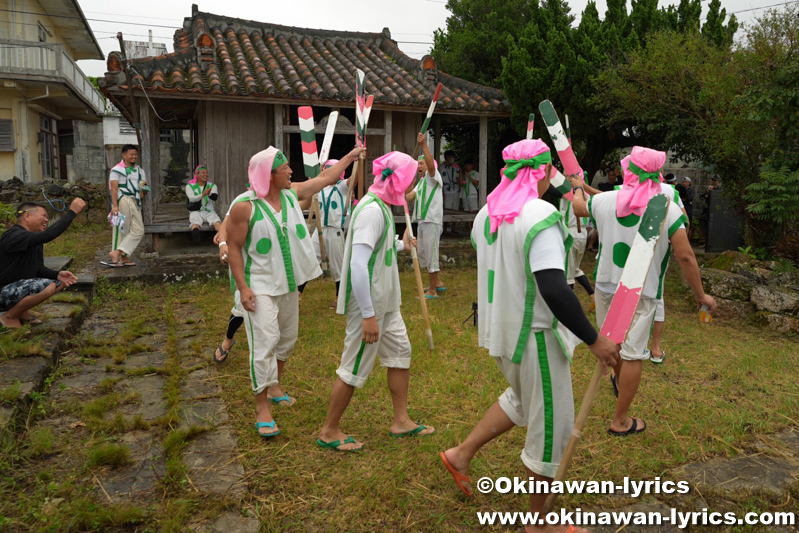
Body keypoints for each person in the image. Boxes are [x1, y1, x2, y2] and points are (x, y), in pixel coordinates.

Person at [439, 140, 618, 533]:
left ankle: (460, 454)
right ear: (541, 172)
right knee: (550, 424)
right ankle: (540, 524)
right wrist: (594, 340)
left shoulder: (486, 214)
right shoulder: (540, 215)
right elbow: (554, 288)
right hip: (535, 335)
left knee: (522, 400)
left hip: (501, 334)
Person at [571, 146, 716, 436]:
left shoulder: (607, 200)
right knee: (633, 353)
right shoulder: (668, 207)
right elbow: (686, 256)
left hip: (606, 285)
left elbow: (578, 207)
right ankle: (620, 419)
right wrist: (701, 296)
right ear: (657, 174)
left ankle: (618, 380)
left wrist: (577, 187)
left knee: (614, 347)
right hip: (642, 290)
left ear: (627, 171)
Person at [226, 145, 364, 438]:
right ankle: (262, 408)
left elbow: (326, 179)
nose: (291, 171)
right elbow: (235, 248)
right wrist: (243, 287)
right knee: (265, 341)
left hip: (287, 283)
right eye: (285, 167)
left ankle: (274, 385)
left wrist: (350, 158)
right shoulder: (245, 207)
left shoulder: (291, 195)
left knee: (287, 339)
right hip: (259, 286)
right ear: (269, 174)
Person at [318, 151, 435, 451]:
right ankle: (329, 431)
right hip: (369, 304)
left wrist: (400, 242)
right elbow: (358, 265)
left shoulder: (380, 206)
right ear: (395, 181)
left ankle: (401, 420)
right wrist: (368, 315)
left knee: (399, 352)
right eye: (407, 181)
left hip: (386, 303)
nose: (408, 188)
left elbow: (376, 251)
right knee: (353, 366)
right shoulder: (371, 210)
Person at [0, 199, 86, 328]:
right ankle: (8, 317)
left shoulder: (33, 239)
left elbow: (38, 268)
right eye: (44, 216)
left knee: (59, 282)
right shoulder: (14, 235)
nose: (46, 220)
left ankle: (21, 313)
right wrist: (72, 212)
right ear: (27, 216)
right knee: (48, 286)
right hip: (2, 293)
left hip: (13, 290)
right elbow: (49, 235)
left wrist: (57, 274)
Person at [310, 159, 355, 309]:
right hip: (319, 229)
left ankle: (339, 297)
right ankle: (298, 294)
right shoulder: (319, 186)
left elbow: (353, 179)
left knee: (337, 267)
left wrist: (357, 162)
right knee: (308, 258)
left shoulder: (341, 187)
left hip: (335, 230)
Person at [406, 133, 445, 299]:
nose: (418, 166)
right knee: (424, 254)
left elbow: (430, 166)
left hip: (432, 220)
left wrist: (424, 145)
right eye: (417, 164)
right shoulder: (421, 182)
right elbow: (408, 197)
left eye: (421, 163)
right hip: (422, 222)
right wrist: (408, 182)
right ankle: (437, 283)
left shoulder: (433, 176)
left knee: (431, 255)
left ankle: (432, 291)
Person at [107, 144, 145, 267]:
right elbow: (114, 189)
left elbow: (143, 186)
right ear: (124, 155)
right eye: (131, 154)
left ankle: (117, 253)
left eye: (135, 154)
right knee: (122, 229)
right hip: (122, 199)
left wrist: (144, 189)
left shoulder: (139, 170)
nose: (134, 157)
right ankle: (122, 258)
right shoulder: (116, 170)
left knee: (139, 230)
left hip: (135, 200)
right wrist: (115, 206)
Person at [185, 164, 222, 245]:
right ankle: (196, 240)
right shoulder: (190, 186)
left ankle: (223, 239)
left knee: (216, 221)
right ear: (197, 174)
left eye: (207, 173)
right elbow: (191, 198)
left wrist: (208, 194)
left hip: (209, 211)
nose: (205, 174)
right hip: (196, 210)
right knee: (195, 222)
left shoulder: (212, 185)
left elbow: (215, 197)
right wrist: (203, 194)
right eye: (203, 172)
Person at [440, 149, 460, 232]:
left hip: (455, 189)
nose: (452, 159)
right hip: (446, 190)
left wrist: (460, 171)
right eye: (451, 157)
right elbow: (440, 180)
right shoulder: (441, 167)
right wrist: (442, 192)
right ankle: (445, 228)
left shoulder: (455, 167)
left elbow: (459, 178)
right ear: (447, 157)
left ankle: (453, 227)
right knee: (447, 209)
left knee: (456, 208)